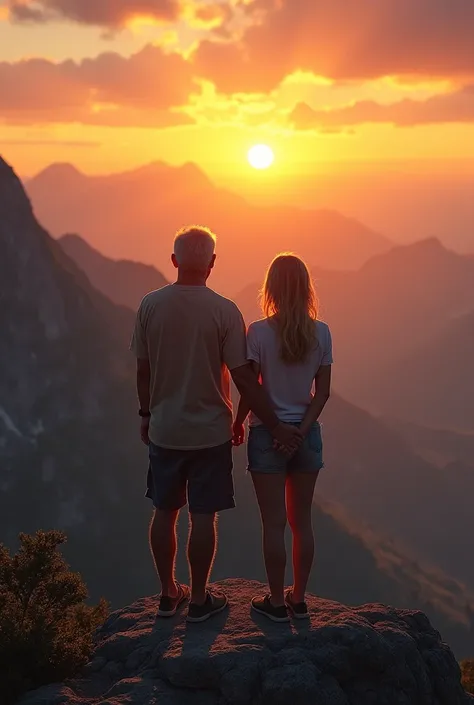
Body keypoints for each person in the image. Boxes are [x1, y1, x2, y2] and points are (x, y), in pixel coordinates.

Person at [130, 227, 303, 623]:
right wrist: (272, 424)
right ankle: (200, 600)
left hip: (165, 427)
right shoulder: (225, 311)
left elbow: (143, 369)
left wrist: (145, 414)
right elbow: (244, 377)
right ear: (212, 263)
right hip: (211, 431)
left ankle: (167, 593)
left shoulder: (150, 306)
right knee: (203, 514)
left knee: (164, 510)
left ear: (174, 261)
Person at [233, 253, 332, 622]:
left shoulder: (258, 332)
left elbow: (251, 386)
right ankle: (300, 598)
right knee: (301, 523)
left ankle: (275, 602)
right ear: (307, 288)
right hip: (306, 436)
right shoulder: (321, 332)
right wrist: (299, 434)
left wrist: (240, 420)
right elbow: (321, 393)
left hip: (267, 435)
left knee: (273, 524)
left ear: (270, 288)